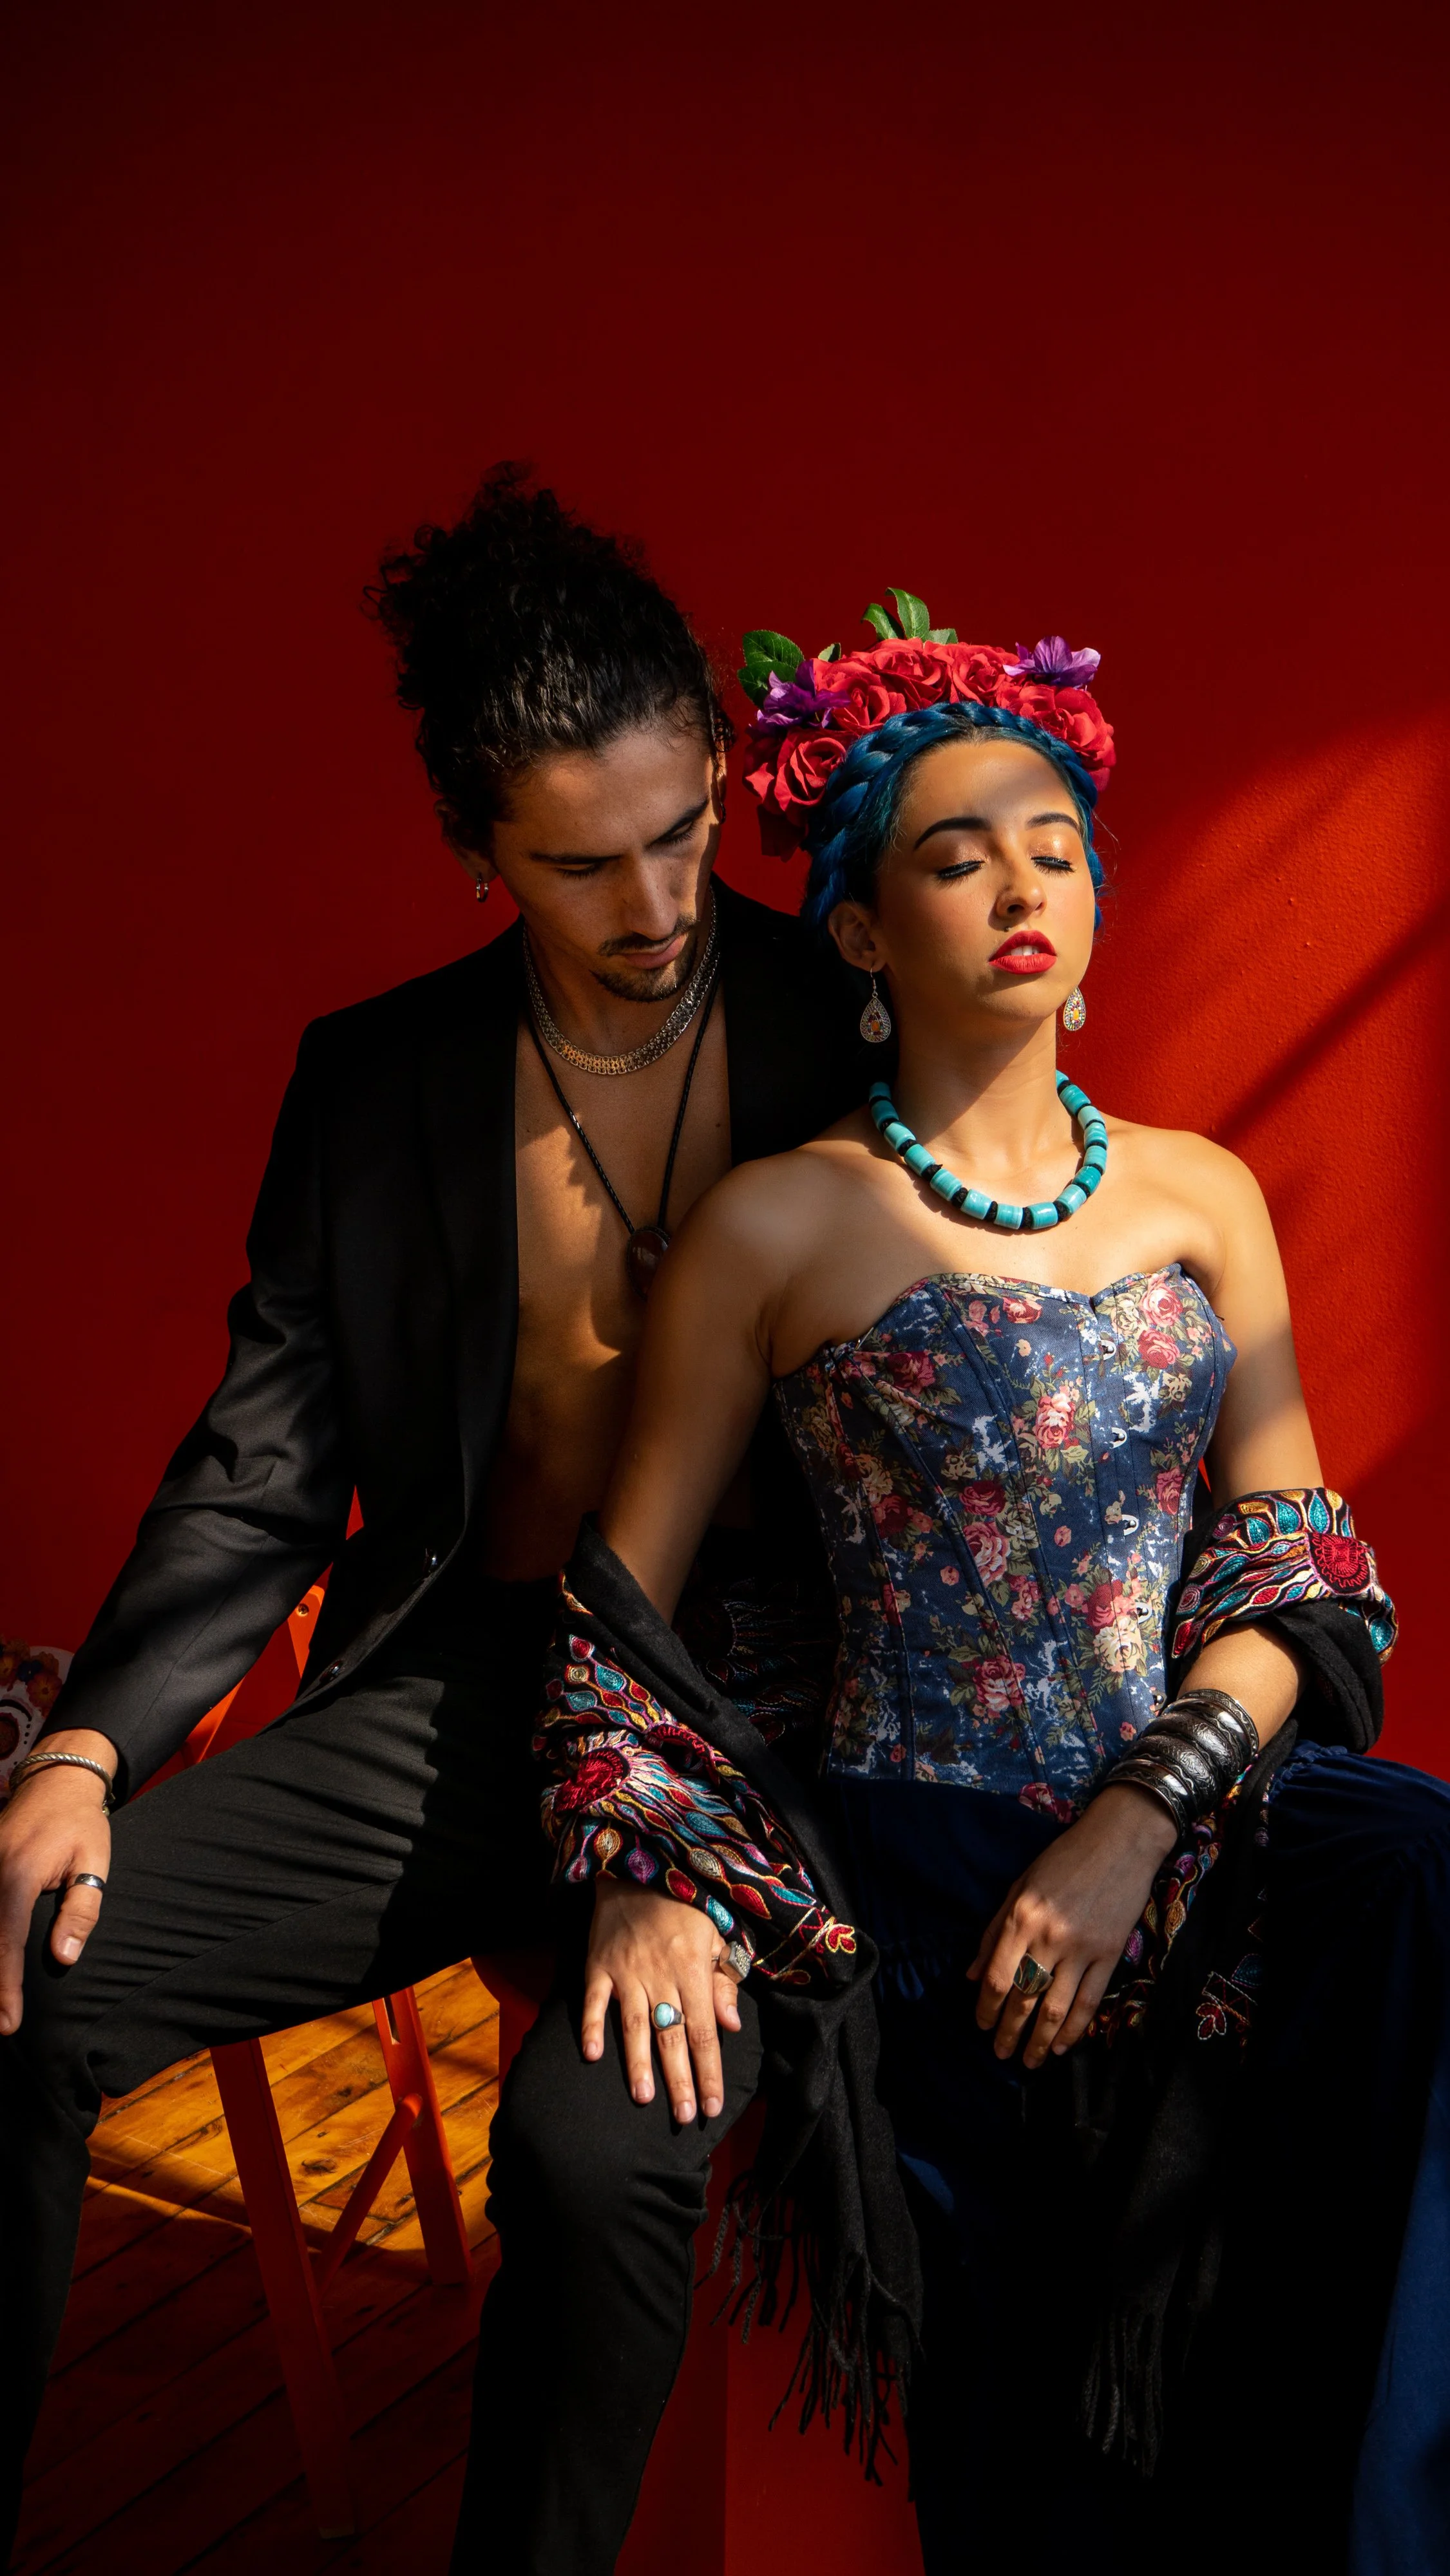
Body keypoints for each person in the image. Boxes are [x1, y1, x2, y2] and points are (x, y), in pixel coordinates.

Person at [0, 469, 879, 2573]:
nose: (657, 901)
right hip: (478, 1687)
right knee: (29, 1974)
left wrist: (688, 1838)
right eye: (583, 864)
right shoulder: (376, 1083)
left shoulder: (844, 1030)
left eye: (681, 832)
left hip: (759, 1709)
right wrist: (86, 1750)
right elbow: (268, 1459)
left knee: (604, 2150)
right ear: (476, 852)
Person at [542, 608, 1450, 2575]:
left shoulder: (1208, 1194)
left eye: (1055, 844)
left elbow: (1301, 1567)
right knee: (1035, 2429)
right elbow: (629, 1608)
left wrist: (1150, 1805)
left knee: (1424, 1874)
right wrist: (643, 1860)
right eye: (957, 856)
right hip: (938, 1866)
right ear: (861, 936)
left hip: (1186, 1827)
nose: (1025, 884)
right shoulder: (775, 1225)